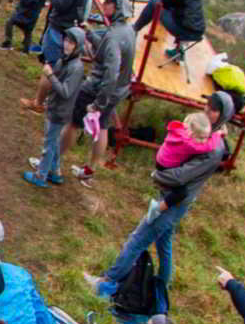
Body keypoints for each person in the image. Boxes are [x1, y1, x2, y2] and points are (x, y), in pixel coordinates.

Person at [94, 91, 234, 310]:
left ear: (223, 115)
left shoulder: (214, 149)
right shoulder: (208, 135)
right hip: (177, 198)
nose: (207, 110)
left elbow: (181, 176)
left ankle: (107, 284)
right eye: (207, 105)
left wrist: (157, 175)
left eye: (214, 109)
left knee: (138, 239)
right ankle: (161, 290)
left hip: (175, 200)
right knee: (163, 243)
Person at [73, 0, 136, 184]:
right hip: (118, 91)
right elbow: (105, 50)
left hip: (100, 89)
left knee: (72, 123)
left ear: (118, 7)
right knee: (102, 127)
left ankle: (50, 165)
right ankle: (89, 171)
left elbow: (111, 71)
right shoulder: (128, 30)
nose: (104, 4)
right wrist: (90, 33)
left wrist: (98, 103)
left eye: (108, 2)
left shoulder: (116, 34)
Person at [23, 26, 87, 189]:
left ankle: (40, 176)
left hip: (59, 112)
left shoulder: (76, 67)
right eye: (66, 40)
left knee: (49, 144)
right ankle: (55, 171)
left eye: (71, 42)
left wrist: (50, 75)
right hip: (55, 107)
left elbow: (65, 92)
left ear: (78, 46)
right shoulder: (64, 60)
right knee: (54, 142)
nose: (66, 44)